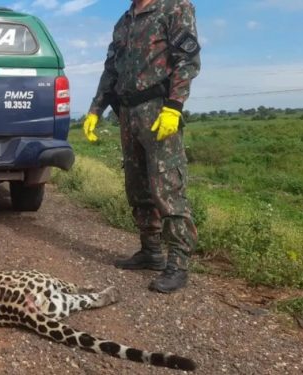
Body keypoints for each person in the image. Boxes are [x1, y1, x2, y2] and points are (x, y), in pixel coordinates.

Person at [82, 0, 200, 293]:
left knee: (168, 187)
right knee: (137, 186)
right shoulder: (124, 21)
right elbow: (111, 70)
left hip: (158, 109)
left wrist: (174, 106)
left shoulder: (175, 7)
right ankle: (151, 251)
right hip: (127, 112)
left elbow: (187, 59)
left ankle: (178, 264)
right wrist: (96, 109)